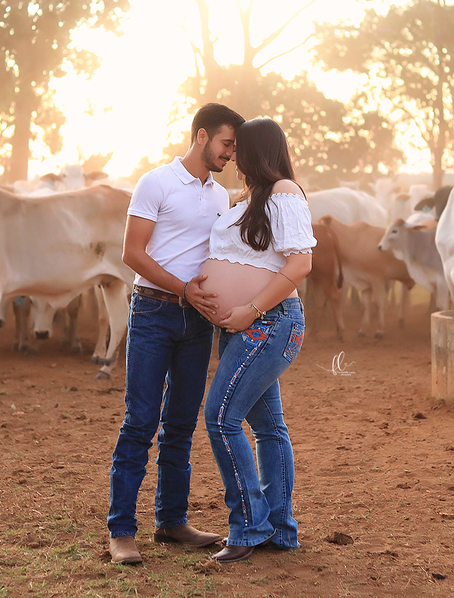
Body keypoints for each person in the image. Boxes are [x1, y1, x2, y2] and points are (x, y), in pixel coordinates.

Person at [107, 102, 246, 565]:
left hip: (198, 320)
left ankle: (171, 520)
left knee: (182, 423)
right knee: (141, 420)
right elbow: (132, 253)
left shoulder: (220, 195)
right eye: (227, 144)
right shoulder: (156, 182)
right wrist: (183, 288)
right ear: (202, 136)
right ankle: (121, 531)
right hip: (153, 311)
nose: (231, 154)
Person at [199, 117, 314, 564]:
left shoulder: (284, 191)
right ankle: (280, 531)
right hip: (245, 326)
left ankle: (249, 526)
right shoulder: (250, 199)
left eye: (238, 148)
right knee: (268, 428)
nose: (232, 156)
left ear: (256, 150)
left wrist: (250, 309)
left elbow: (300, 264)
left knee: (220, 418)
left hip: (269, 322)